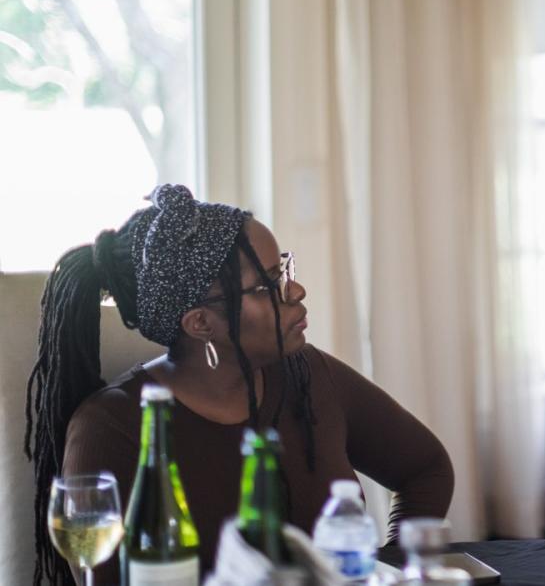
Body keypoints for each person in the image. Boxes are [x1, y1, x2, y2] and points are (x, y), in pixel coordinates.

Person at [25, 185, 454, 585]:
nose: (296, 290)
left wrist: (390, 570)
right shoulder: (112, 427)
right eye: (269, 283)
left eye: (285, 267)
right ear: (200, 324)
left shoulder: (307, 374)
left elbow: (426, 469)